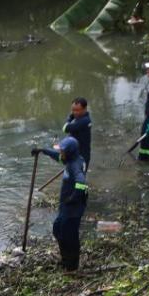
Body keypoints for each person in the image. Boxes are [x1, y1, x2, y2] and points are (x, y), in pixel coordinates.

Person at [32, 136, 88, 270]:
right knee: (57, 229)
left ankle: (71, 265)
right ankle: (65, 259)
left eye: (63, 151)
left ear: (69, 153)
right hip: (66, 205)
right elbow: (57, 156)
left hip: (73, 207)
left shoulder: (75, 165)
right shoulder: (70, 159)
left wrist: (74, 197)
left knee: (69, 236)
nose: (60, 154)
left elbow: (81, 182)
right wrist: (43, 150)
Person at [63, 97, 92, 168]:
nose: (75, 112)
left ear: (85, 109)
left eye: (77, 110)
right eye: (73, 110)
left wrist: (70, 118)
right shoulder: (82, 119)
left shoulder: (84, 121)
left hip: (81, 159)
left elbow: (65, 128)